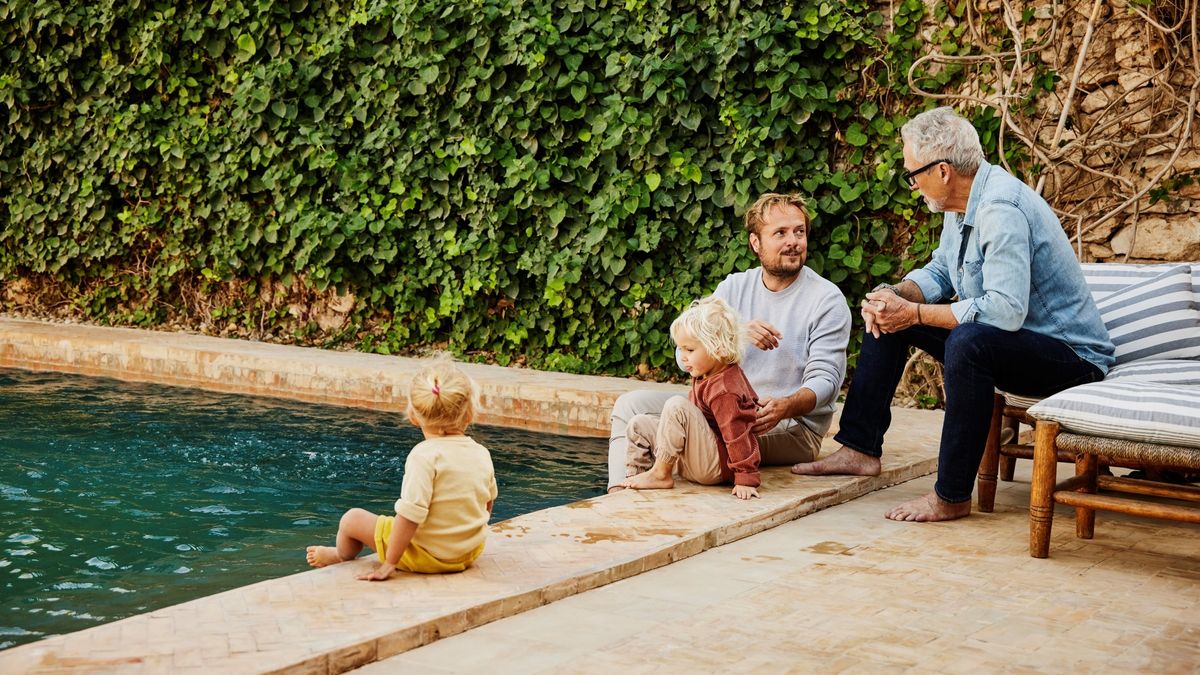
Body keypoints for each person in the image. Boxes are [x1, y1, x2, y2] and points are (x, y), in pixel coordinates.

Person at [792, 106, 1114, 522]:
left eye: (913, 174)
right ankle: (859, 448)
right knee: (887, 317)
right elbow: (943, 269)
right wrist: (897, 296)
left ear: (943, 170)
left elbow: (1004, 311)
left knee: (969, 341)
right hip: (1013, 344)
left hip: (1070, 358)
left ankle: (952, 494)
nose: (911, 185)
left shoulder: (1001, 209)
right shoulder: (960, 205)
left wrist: (918, 314)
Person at [607, 193, 851, 492]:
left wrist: (784, 407)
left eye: (799, 231)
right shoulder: (733, 287)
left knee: (697, 425)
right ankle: (621, 489)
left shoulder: (826, 299)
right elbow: (684, 355)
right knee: (630, 405)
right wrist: (735, 334)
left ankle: (661, 474)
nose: (793, 241)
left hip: (789, 426)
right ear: (755, 243)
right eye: (780, 233)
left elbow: (827, 382)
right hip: (721, 406)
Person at [305, 360, 498, 580]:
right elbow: (487, 504)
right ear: (469, 414)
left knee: (352, 519)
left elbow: (409, 516)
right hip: (468, 553)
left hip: (427, 556)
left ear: (414, 416)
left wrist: (389, 563)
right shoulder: (481, 452)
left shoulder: (424, 456)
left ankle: (341, 555)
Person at [621, 296, 762, 499]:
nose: (683, 356)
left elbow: (737, 433)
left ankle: (661, 475)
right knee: (638, 424)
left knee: (676, 405)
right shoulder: (705, 372)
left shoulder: (725, 388)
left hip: (714, 467)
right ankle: (635, 478)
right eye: (681, 349)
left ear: (718, 349)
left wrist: (746, 478)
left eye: (690, 349)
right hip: (695, 457)